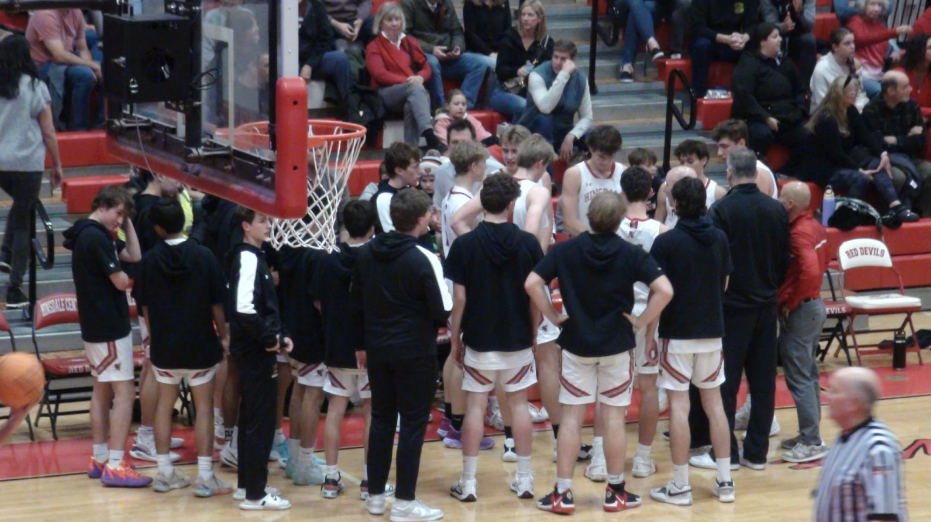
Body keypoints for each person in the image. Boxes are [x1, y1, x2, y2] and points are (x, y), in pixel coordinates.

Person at [528, 191, 673, 515]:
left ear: (588, 215)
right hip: (617, 346)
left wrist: (551, 316)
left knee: (571, 420)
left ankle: (562, 494)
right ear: (618, 219)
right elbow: (665, 290)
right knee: (613, 418)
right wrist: (641, 321)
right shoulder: (630, 252)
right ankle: (616, 491)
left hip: (577, 344)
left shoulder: (565, 250)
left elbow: (531, 283)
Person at [352, 188, 452, 521]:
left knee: (381, 419)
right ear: (422, 218)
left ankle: (377, 497)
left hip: (378, 350)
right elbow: (442, 309)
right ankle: (405, 503)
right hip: (414, 352)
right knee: (411, 424)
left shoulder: (365, 253)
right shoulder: (424, 257)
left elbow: (356, 303)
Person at [446, 173, 544, 503]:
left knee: (474, 407)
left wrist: (455, 337)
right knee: (519, 406)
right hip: (517, 336)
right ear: (513, 204)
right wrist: (533, 332)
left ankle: (469, 482)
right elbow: (535, 296)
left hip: (478, 337)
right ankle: (526, 479)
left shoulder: (464, 244)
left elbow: (459, 299)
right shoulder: (529, 244)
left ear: (483, 203)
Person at [691, 147, 789, 472]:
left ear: (729, 173)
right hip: (767, 304)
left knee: (727, 382)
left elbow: (714, 261)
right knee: (763, 381)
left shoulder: (720, 209)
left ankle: (728, 455)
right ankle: (757, 453)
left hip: (733, 308)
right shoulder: (776, 209)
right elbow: (784, 258)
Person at [133, 198, 232, 497]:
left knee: (164, 406)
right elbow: (218, 304)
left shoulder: (149, 261)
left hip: (165, 347)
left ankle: (164, 474)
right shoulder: (204, 256)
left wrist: (154, 336)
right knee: (204, 408)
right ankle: (205, 478)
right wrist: (224, 335)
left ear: (158, 228)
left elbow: (145, 306)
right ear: (183, 223)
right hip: (200, 345)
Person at [648, 177, 734, 506]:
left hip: (677, 334)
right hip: (713, 332)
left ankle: (681, 486)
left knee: (680, 408)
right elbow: (724, 284)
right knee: (715, 407)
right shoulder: (720, 238)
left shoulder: (666, 243)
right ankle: (725, 482)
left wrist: (650, 334)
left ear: (676, 204)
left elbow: (659, 294)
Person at [62, 186, 149, 487]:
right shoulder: (95, 237)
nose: (120, 220)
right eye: (118, 213)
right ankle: (116, 464)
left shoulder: (91, 234)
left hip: (95, 325)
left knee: (101, 390)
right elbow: (122, 280)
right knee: (125, 393)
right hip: (109, 326)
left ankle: (100, 457)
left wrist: (126, 221)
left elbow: (134, 254)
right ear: (102, 205)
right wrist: (128, 277)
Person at [314, 200, 392, 500]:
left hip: (337, 346)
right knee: (373, 411)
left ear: (344, 225)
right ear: (373, 227)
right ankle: (370, 480)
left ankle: (331, 479)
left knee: (335, 410)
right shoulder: (377, 259)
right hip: (370, 348)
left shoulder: (327, 259)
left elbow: (318, 302)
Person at [227, 206, 293, 510]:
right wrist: (269, 340)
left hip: (253, 348)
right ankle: (256, 494)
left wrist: (279, 336)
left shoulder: (253, 256)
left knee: (250, 417)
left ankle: (246, 486)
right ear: (245, 225)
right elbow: (243, 309)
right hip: (255, 351)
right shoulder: (248, 257)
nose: (269, 225)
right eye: (263, 220)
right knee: (261, 421)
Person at [795, 76, 920, 221]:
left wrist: (882, 154)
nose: (855, 96)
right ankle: (844, 214)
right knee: (860, 178)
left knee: (876, 164)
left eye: (855, 92)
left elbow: (865, 136)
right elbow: (836, 153)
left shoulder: (851, 111)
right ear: (839, 94)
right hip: (822, 168)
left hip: (842, 162)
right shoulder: (826, 118)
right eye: (852, 93)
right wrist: (859, 169)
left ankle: (895, 205)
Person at [0, 35, 61, 308]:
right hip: (26, 164)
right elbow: (48, 131)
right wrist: (58, 165)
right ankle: (15, 289)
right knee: (25, 221)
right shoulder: (36, 87)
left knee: (21, 206)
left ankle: (4, 252)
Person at [617, 166, 669, 481]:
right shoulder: (662, 231)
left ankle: (599, 456)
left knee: (608, 390)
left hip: (617, 315)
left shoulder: (609, 227)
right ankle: (642, 459)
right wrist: (651, 331)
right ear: (651, 193)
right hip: (649, 314)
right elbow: (660, 287)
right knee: (648, 388)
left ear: (622, 191)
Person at [774, 182, 829, 464]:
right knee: (808, 374)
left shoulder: (798, 233)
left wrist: (791, 302)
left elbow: (810, 271)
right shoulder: (815, 225)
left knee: (799, 378)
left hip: (802, 309)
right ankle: (811, 434)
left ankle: (811, 441)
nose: (777, 201)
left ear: (791, 204)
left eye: (781, 198)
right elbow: (824, 261)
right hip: (815, 306)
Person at [813, 367, 907, 522]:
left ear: (854, 403)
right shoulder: (843, 436)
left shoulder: (878, 448)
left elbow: (884, 518)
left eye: (834, 391)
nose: (827, 396)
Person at [276, 239, 327, 487]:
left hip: (292, 329)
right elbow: (319, 301)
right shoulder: (315, 255)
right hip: (312, 332)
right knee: (313, 396)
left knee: (299, 389)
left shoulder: (287, 249)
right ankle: (305, 462)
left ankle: (295, 459)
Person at [365, 3, 443, 150]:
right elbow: (379, 74)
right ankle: (430, 136)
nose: (394, 23)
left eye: (397, 19)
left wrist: (420, 77)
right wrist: (410, 81)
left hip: (411, 91)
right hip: (386, 93)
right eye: (389, 20)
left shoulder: (410, 42)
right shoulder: (374, 46)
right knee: (416, 90)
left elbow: (426, 66)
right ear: (381, 22)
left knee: (411, 103)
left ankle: (410, 151)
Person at [731, 23, 809, 156]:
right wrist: (766, 118)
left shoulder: (784, 61)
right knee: (761, 135)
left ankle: (790, 170)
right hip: (757, 119)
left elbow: (801, 88)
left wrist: (800, 110)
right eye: (775, 36)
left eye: (779, 36)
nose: (780, 39)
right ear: (762, 42)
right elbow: (744, 97)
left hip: (787, 117)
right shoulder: (749, 63)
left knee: (809, 134)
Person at [862, 70, 931, 217]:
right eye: (905, 86)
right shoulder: (871, 110)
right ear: (891, 90)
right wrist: (907, 137)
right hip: (885, 159)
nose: (910, 89)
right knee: (898, 177)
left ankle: (924, 218)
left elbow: (921, 140)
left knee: (929, 171)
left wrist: (895, 139)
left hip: (910, 157)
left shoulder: (911, 106)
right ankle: (890, 216)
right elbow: (879, 144)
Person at [400, 0, 492, 110]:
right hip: (424, 55)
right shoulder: (408, 4)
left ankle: (463, 106)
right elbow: (404, 35)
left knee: (478, 63)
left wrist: (457, 47)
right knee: (432, 63)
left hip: (448, 54)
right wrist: (431, 49)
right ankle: (441, 109)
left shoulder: (446, 3)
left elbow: (457, 31)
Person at [25, 9, 103, 130]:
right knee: (84, 75)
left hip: (65, 60)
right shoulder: (44, 14)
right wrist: (92, 66)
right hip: (44, 66)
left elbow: (82, 48)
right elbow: (58, 55)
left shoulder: (76, 12)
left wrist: (93, 67)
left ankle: (100, 125)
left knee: (108, 71)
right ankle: (79, 129)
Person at [519, 40, 593, 161]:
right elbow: (546, 107)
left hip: (563, 131)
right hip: (535, 131)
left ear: (573, 60)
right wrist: (563, 75)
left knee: (593, 136)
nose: (558, 62)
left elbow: (587, 116)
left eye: (563, 59)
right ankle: (548, 174)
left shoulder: (580, 79)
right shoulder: (537, 75)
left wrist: (571, 136)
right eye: (555, 57)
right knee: (544, 119)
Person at [491, 0, 553, 121]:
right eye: (523, 14)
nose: (525, 18)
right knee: (523, 106)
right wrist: (517, 71)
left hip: (533, 92)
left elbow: (549, 71)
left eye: (530, 15)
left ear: (540, 18)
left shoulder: (547, 43)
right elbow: (500, 70)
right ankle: (516, 138)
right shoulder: (509, 37)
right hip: (505, 91)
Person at [560, 125, 626, 237]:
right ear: (591, 148)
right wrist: (595, 241)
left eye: (611, 156)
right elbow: (569, 221)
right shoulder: (575, 174)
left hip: (617, 242)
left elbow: (628, 215)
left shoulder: (624, 172)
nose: (606, 162)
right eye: (601, 156)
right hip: (585, 242)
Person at [689, 0, 758, 98]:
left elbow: (753, 24)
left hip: (735, 38)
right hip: (710, 37)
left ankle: (748, 94)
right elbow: (698, 28)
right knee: (702, 46)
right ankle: (699, 94)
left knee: (756, 45)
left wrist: (744, 38)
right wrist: (726, 39)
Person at [298, 0, 354, 114]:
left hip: (311, 58)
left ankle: (348, 113)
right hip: (283, 58)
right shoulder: (278, 7)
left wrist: (309, 64)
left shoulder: (316, 6)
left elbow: (325, 39)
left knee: (340, 59)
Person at [846, 0, 910, 99]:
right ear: (864, 5)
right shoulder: (855, 21)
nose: (876, 9)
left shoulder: (880, 25)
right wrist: (893, 32)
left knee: (901, 88)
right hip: (860, 75)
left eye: (880, 5)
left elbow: (884, 45)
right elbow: (861, 39)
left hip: (879, 74)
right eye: (872, 4)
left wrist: (893, 53)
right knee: (881, 92)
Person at [711, 119, 779, 198]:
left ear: (741, 143)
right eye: (718, 147)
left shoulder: (758, 172)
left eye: (724, 146)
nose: (719, 153)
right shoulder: (742, 169)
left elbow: (756, 208)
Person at [810, 27, 869, 112]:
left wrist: (859, 106)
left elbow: (860, 94)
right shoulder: (822, 68)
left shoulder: (856, 64)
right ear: (835, 47)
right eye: (847, 43)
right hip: (827, 115)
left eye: (853, 42)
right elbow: (821, 101)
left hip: (851, 110)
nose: (852, 46)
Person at [761, 0, 816, 83]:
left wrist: (800, 13)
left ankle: (806, 87)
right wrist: (782, 27)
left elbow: (810, 26)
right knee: (771, 39)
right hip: (776, 36)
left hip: (798, 36)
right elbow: (769, 23)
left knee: (809, 40)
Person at [374, 142, 423, 233]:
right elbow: (392, 237)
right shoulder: (384, 199)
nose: (420, 171)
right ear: (399, 170)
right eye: (415, 167)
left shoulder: (411, 190)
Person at [615, 0, 666, 83]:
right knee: (636, 3)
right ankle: (651, 42)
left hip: (649, 6)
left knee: (636, 12)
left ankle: (626, 66)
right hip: (623, 6)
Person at [462, 0, 511, 67]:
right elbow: (470, 35)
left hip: (499, 51)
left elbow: (508, 30)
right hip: (477, 52)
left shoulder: (504, 2)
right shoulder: (470, 3)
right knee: (497, 64)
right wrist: (490, 53)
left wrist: (502, 51)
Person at [627, 147, 663, 217]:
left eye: (654, 165)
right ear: (635, 167)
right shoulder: (627, 184)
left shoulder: (657, 182)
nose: (654, 168)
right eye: (649, 166)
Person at [898, 33, 931, 107]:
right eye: (930, 48)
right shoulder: (900, 74)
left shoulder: (929, 73)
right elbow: (899, 107)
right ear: (918, 50)